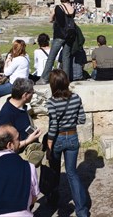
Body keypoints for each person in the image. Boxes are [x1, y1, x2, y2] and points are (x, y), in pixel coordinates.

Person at [46, 69, 89, 217]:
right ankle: (82, 210)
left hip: (57, 139)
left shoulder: (51, 102)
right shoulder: (76, 98)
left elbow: (53, 126)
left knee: (54, 170)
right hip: (72, 136)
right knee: (72, 173)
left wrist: (49, 144)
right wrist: (71, 121)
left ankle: (53, 198)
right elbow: (82, 119)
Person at [0, 78, 44, 167]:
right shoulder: (7, 114)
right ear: (25, 95)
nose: (33, 94)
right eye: (32, 92)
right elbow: (6, 147)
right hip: (16, 162)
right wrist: (28, 140)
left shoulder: (22, 107)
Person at [0, 39, 29, 119]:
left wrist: (7, 62)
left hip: (15, 85)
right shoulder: (26, 57)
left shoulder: (17, 60)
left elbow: (6, 72)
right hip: (23, 82)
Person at [40, 0, 76, 83]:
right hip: (70, 36)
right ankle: (66, 79)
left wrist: (53, 15)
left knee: (51, 56)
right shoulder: (72, 8)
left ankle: (44, 78)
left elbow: (57, 21)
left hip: (60, 35)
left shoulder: (58, 8)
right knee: (66, 58)